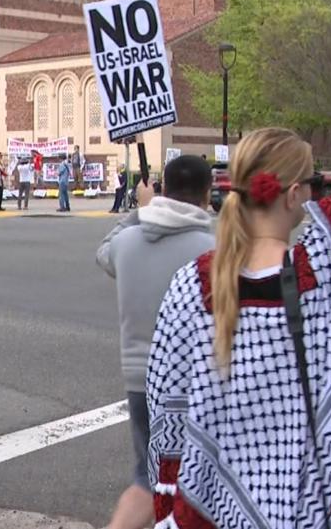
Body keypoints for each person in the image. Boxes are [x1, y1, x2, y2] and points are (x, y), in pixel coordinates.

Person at [146, 0, 331, 528]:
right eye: (312, 183)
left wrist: (170, 500)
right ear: (294, 195)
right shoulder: (328, 267)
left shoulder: (192, 286)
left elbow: (166, 415)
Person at [96, 155, 215, 529]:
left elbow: (104, 252)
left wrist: (139, 211)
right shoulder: (212, 247)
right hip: (194, 383)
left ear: (163, 188)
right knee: (191, 479)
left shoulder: (128, 241)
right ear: (206, 193)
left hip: (138, 381)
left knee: (149, 475)